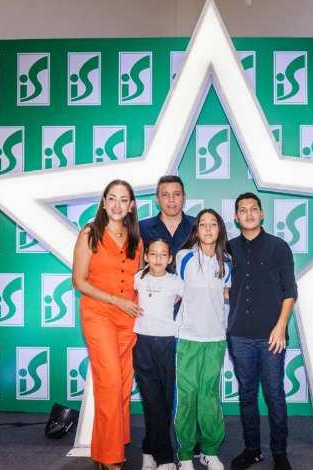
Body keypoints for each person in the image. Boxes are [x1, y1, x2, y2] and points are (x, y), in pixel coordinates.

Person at [72, 179, 143, 470]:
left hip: (128, 319)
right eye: (112, 198)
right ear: (103, 202)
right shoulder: (90, 233)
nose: (117, 205)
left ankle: (107, 449)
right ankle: (111, 458)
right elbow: (79, 281)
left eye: (123, 199)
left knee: (123, 386)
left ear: (131, 206)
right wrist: (116, 300)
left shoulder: (136, 239)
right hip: (98, 315)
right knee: (110, 383)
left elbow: (139, 281)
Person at [226, 193, 297, 470]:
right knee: (246, 394)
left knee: (274, 394)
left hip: (271, 336)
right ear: (236, 217)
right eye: (242, 210)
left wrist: (281, 327)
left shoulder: (279, 247)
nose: (249, 214)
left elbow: (290, 291)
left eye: (253, 209)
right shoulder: (228, 248)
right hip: (239, 335)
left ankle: (279, 452)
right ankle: (252, 449)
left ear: (262, 213)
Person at [173, 209, 232, 470]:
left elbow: (227, 296)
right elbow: (174, 293)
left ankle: (209, 450)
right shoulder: (184, 257)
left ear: (220, 229)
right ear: (196, 230)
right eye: (203, 224)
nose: (208, 229)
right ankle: (185, 454)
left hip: (215, 339)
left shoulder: (227, 262)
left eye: (213, 224)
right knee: (187, 396)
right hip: (187, 337)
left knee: (209, 395)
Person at [133, 238, 184, 470]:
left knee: (164, 402)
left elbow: (188, 301)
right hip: (142, 343)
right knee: (151, 401)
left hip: (167, 343)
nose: (158, 259)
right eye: (153, 254)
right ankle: (165, 458)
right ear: (146, 256)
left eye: (163, 254)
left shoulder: (176, 282)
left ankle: (148, 449)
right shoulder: (138, 278)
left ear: (170, 258)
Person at [140, 175, 195, 252]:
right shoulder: (142, 228)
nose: (171, 199)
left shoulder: (197, 226)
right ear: (157, 199)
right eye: (165, 195)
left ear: (184, 198)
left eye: (176, 194)